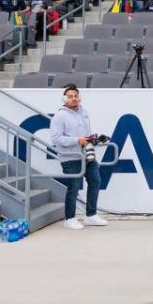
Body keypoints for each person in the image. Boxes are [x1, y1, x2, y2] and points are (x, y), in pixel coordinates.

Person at [48, 85, 107, 230]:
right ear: (64, 99)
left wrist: (95, 139)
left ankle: (91, 215)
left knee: (95, 181)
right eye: (70, 96)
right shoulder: (59, 116)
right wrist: (76, 140)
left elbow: (86, 133)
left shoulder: (84, 112)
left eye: (76, 96)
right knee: (74, 187)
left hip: (87, 155)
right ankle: (69, 219)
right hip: (70, 157)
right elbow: (56, 139)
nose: (74, 99)